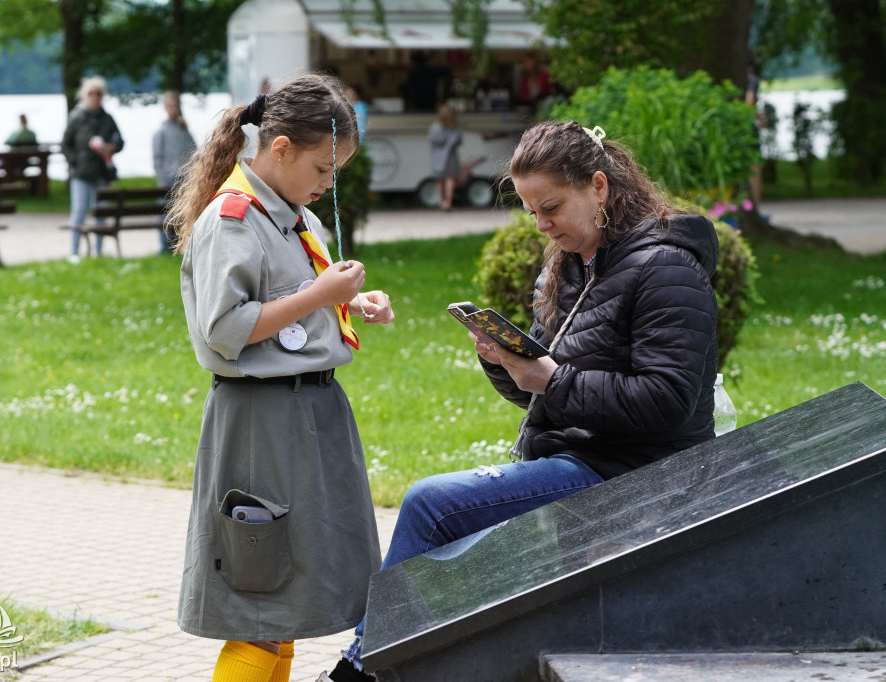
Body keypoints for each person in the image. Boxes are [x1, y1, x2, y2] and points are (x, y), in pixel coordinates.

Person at [320, 120, 719, 682]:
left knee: (432, 503)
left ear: (599, 187)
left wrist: (552, 380)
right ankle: (383, 663)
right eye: (532, 211)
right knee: (439, 511)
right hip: (580, 457)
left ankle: (362, 670)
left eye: (551, 207)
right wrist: (503, 359)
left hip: (638, 470)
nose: (542, 225)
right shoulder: (575, 264)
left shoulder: (667, 267)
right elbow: (540, 392)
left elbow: (668, 400)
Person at [168, 73, 396, 682]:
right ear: (280, 149)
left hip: (307, 416)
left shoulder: (290, 215)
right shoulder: (233, 219)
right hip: (260, 421)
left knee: (285, 600)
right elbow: (227, 328)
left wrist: (349, 300)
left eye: (335, 173)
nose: (329, 185)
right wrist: (319, 293)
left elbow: (291, 296)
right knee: (259, 597)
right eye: (323, 170)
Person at [61, 76, 124, 262]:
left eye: (98, 94)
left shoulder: (107, 118)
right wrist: (75, 162)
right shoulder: (76, 117)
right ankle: (74, 251)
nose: (94, 97)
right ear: (84, 96)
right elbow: (65, 144)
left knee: (101, 212)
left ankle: (98, 251)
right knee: (79, 210)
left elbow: (119, 140)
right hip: (80, 173)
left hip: (101, 173)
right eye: (91, 94)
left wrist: (111, 147)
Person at [152, 90, 196, 253]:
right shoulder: (161, 132)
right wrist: (163, 178)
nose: (172, 109)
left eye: (174, 106)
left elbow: (194, 153)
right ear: (165, 107)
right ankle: (164, 245)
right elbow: (157, 159)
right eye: (169, 106)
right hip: (168, 180)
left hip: (184, 179)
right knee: (165, 214)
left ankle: (178, 245)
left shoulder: (184, 130)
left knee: (181, 214)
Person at [428, 104, 462, 211]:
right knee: (450, 179)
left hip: (438, 157)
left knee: (440, 179)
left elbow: (432, 140)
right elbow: (459, 141)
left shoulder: (435, 127)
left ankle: (442, 200)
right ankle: (448, 202)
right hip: (451, 156)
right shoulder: (456, 127)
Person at [745, 54, 764, 208]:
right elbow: (749, 103)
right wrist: (760, 119)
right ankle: (755, 206)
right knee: (755, 167)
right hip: (747, 127)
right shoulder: (751, 79)